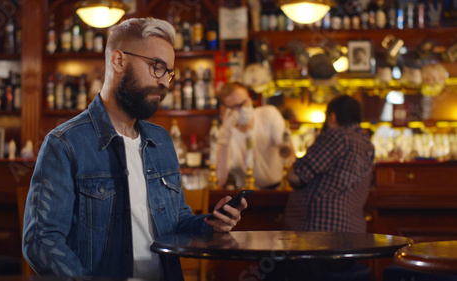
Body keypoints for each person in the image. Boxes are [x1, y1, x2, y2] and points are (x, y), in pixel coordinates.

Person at [22, 18, 247, 281]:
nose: (165, 82)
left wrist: (211, 224)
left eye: (169, 72)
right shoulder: (64, 143)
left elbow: (177, 222)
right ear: (118, 61)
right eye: (157, 67)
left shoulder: (161, 140)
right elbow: (41, 241)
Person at [285, 94, 375, 233]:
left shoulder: (337, 136)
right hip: (353, 228)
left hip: (321, 229)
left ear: (332, 117)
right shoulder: (368, 144)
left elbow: (297, 175)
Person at [215, 82, 295, 189]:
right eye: (237, 106)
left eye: (246, 102)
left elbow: (287, 152)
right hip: (247, 194)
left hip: (278, 189)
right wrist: (226, 133)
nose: (244, 108)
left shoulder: (268, 114)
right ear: (225, 110)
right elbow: (219, 180)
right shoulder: (224, 135)